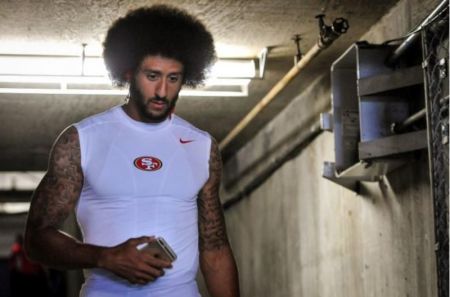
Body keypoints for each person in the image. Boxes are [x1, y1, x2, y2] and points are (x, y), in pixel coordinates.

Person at [24, 5, 240, 297]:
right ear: (128, 72)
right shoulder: (80, 141)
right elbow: (37, 239)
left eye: (173, 78)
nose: (163, 91)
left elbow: (214, 249)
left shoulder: (202, 147)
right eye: (152, 76)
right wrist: (104, 256)